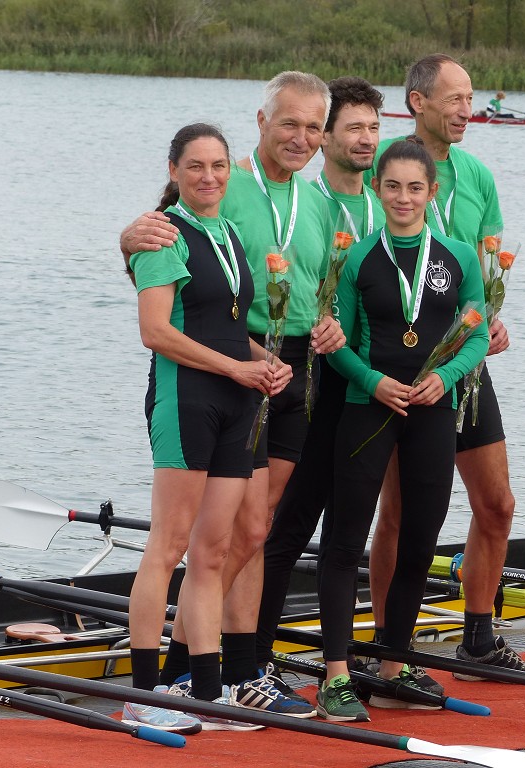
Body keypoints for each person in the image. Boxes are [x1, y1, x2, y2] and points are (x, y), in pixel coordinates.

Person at [119, 72, 344, 717]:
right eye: (289, 122)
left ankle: (210, 679)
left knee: (231, 542)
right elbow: (157, 310)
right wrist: (126, 240)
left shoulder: (276, 218)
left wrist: (295, 343)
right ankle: (161, 684)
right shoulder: (190, 211)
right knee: (184, 542)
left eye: (313, 127)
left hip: (262, 382)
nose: (209, 176)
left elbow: (263, 308)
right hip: (203, 386)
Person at [368, 53, 525, 685]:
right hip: (400, 368)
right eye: (455, 99)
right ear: (417, 103)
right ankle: (389, 648)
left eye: (471, 99)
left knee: (496, 504)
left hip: (463, 366)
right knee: (399, 514)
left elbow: (485, 266)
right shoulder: (384, 165)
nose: (468, 110)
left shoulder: (476, 175)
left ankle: (477, 641)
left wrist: (492, 319)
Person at [122, 123, 290, 732]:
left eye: (218, 165)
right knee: (167, 547)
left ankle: (206, 692)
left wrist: (265, 362)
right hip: (186, 401)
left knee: (212, 554)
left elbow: (226, 327)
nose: (209, 177)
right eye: (195, 166)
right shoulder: (162, 234)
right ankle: (143, 695)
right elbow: (157, 332)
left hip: (238, 401)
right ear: (174, 171)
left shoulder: (230, 233)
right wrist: (237, 369)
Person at [316, 136, 488, 721]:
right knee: (345, 541)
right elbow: (335, 343)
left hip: (432, 408)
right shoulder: (358, 259)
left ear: (432, 192)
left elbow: (477, 335)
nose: (403, 197)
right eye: (392, 186)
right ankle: (337, 675)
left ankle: (392, 665)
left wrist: (446, 377)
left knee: (419, 539)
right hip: (369, 407)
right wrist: (373, 381)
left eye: (415, 187)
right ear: (376, 188)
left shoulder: (459, 257)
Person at [254, 76, 387, 674]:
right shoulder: (304, 199)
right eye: (352, 128)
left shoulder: (387, 201)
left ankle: (349, 659)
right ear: (326, 140)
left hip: (363, 386)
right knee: (284, 527)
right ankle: (253, 657)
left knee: (344, 535)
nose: (366, 139)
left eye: (373, 128)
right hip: (310, 379)